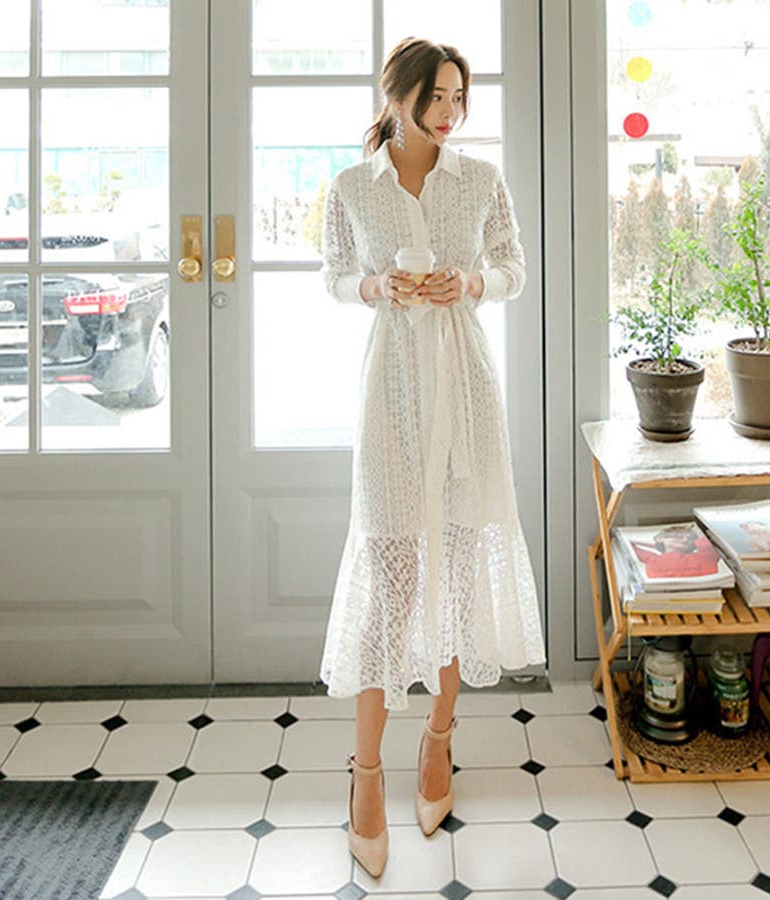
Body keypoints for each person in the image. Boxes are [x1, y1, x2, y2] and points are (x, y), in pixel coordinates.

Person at [317, 37, 546, 877]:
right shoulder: (352, 187)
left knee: (454, 571)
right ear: (398, 97)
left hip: (466, 389)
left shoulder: (479, 180)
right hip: (391, 395)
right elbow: (335, 275)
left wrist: (471, 284)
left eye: (458, 98)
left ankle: (439, 741)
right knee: (391, 585)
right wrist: (378, 287)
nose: (450, 113)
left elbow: (514, 266)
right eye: (436, 97)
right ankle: (366, 774)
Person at [630, 524, 722, 579]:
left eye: (690, 538)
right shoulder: (652, 559)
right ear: (660, 538)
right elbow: (630, 545)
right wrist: (659, 544)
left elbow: (707, 546)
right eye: (678, 536)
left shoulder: (703, 556)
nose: (685, 540)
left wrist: (662, 543)